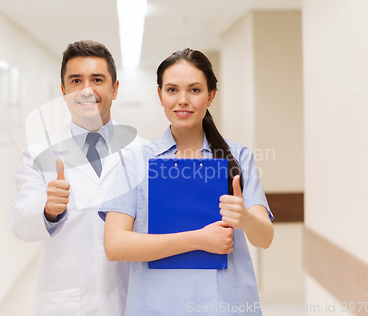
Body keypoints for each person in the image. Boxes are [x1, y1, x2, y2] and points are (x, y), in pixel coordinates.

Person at [99, 48, 274, 315]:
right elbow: (114, 245)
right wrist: (199, 239)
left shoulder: (238, 158)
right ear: (160, 95)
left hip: (225, 304)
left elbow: (264, 238)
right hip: (158, 305)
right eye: (172, 90)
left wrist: (246, 220)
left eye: (194, 90)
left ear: (211, 95)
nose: (183, 100)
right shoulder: (135, 162)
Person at [11, 40, 143, 316]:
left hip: (132, 298)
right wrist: (48, 210)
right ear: (63, 91)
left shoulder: (143, 153)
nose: (86, 90)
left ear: (114, 89)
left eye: (97, 79)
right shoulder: (38, 156)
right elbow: (21, 225)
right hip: (68, 304)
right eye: (75, 80)